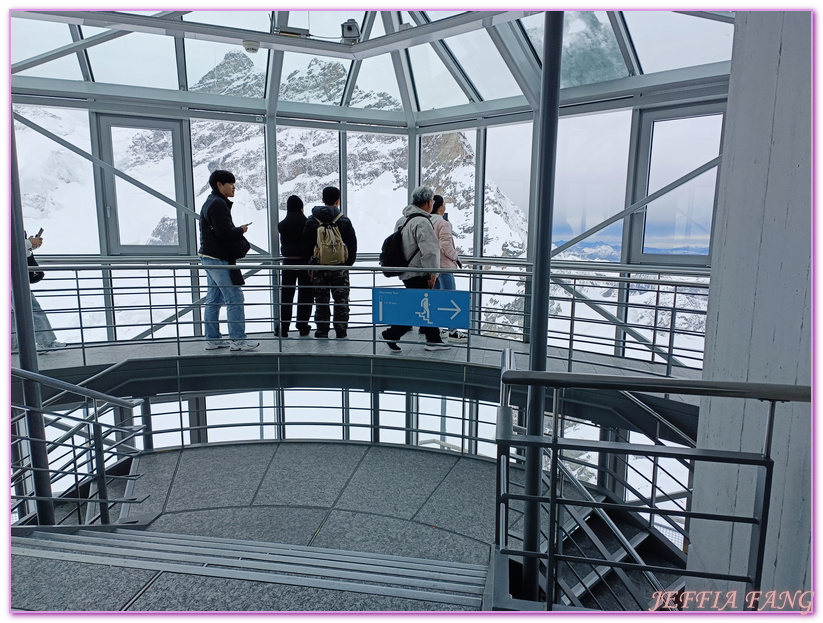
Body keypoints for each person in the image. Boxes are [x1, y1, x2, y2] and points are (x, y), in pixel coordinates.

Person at [381, 186, 450, 353]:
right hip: (418, 272)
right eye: (432, 201)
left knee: (419, 305)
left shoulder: (402, 220)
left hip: (405, 271)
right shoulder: (422, 222)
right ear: (428, 202)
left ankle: (430, 338)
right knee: (420, 306)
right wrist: (433, 273)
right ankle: (394, 334)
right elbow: (430, 251)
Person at [198, 169, 259, 351]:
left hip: (208, 256)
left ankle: (213, 339)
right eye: (231, 184)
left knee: (214, 299)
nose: (234, 187)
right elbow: (223, 233)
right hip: (218, 258)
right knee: (234, 298)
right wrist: (240, 230)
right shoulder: (218, 204)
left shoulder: (210, 202)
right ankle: (238, 340)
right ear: (219, 185)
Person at [301, 186, 357, 339]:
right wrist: (347, 264)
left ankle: (322, 331)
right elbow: (352, 245)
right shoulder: (344, 220)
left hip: (319, 268)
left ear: (323, 199)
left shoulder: (312, 220)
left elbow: (306, 245)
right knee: (341, 300)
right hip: (340, 269)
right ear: (338, 201)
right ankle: (341, 331)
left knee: (321, 301)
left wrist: (310, 265)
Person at [11, 230, 66, 352]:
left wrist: (28, 245)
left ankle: (13, 346)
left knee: (13, 312)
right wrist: (28, 243)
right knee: (32, 309)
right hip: (12, 279)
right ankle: (45, 342)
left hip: (12, 277)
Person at [431, 194, 467, 343]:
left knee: (436, 297)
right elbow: (445, 246)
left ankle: (439, 328)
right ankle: (453, 331)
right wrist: (455, 257)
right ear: (440, 207)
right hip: (444, 266)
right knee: (451, 298)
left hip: (433, 266)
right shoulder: (442, 223)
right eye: (444, 204)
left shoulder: (427, 222)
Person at [276, 195, 312, 337]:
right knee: (305, 295)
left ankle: (284, 328)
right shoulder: (307, 223)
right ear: (301, 208)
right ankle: (302, 326)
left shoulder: (282, 225)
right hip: (304, 263)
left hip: (288, 262)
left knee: (287, 295)